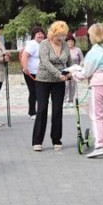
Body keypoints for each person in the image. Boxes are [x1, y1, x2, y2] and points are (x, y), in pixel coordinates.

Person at [73, 23, 103, 158]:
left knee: (96, 116)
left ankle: (99, 145)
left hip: (99, 85)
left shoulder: (94, 52)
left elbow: (85, 73)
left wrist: (74, 73)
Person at [32, 20, 72, 151]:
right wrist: (58, 74)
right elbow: (45, 62)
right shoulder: (44, 44)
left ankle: (56, 139)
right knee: (42, 109)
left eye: (63, 35)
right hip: (43, 80)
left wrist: (73, 72)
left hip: (59, 83)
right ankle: (37, 141)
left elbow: (69, 62)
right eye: (59, 35)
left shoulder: (65, 45)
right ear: (52, 34)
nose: (61, 38)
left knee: (57, 110)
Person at [20, 26, 45, 119]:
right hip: (30, 72)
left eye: (42, 33)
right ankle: (32, 112)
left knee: (40, 92)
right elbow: (24, 55)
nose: (40, 35)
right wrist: (25, 67)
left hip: (40, 72)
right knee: (33, 92)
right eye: (38, 33)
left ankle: (40, 111)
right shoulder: (32, 44)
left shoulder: (43, 44)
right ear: (34, 36)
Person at [64, 34, 84, 107]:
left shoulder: (77, 50)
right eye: (69, 41)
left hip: (75, 70)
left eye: (72, 41)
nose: (70, 43)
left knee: (72, 85)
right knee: (66, 85)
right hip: (66, 70)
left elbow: (82, 59)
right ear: (66, 42)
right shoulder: (64, 50)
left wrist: (80, 66)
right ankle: (64, 100)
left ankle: (71, 100)